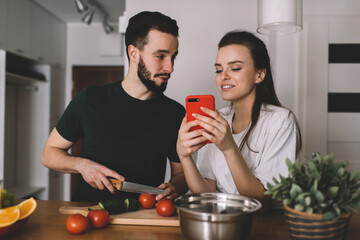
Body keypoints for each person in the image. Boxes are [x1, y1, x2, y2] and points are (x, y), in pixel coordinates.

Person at [42, 11, 188, 202]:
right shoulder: (89, 99)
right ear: (133, 53)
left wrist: (174, 188)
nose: (170, 67)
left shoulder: (175, 114)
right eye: (160, 56)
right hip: (89, 215)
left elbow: (181, 175)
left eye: (173, 57)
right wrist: (82, 165)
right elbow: (49, 154)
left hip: (144, 219)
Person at [177, 31, 301, 211]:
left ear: (259, 74)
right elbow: (206, 192)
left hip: (266, 227)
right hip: (223, 223)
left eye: (235, 68)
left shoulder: (281, 121)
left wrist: (229, 148)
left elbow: (262, 202)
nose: (223, 76)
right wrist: (184, 156)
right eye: (219, 69)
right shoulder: (217, 119)